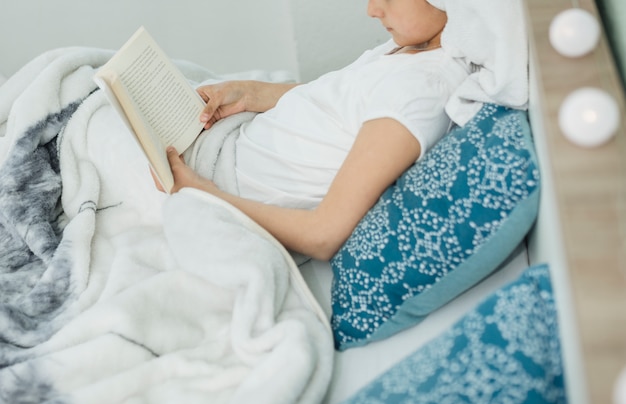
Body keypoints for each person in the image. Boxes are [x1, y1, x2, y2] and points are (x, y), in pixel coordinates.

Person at [154, 0, 528, 261]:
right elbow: (341, 107)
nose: (371, 10)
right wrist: (250, 93)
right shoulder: (413, 47)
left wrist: (203, 195)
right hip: (230, 143)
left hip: (223, 185)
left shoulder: (422, 91)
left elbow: (322, 234)